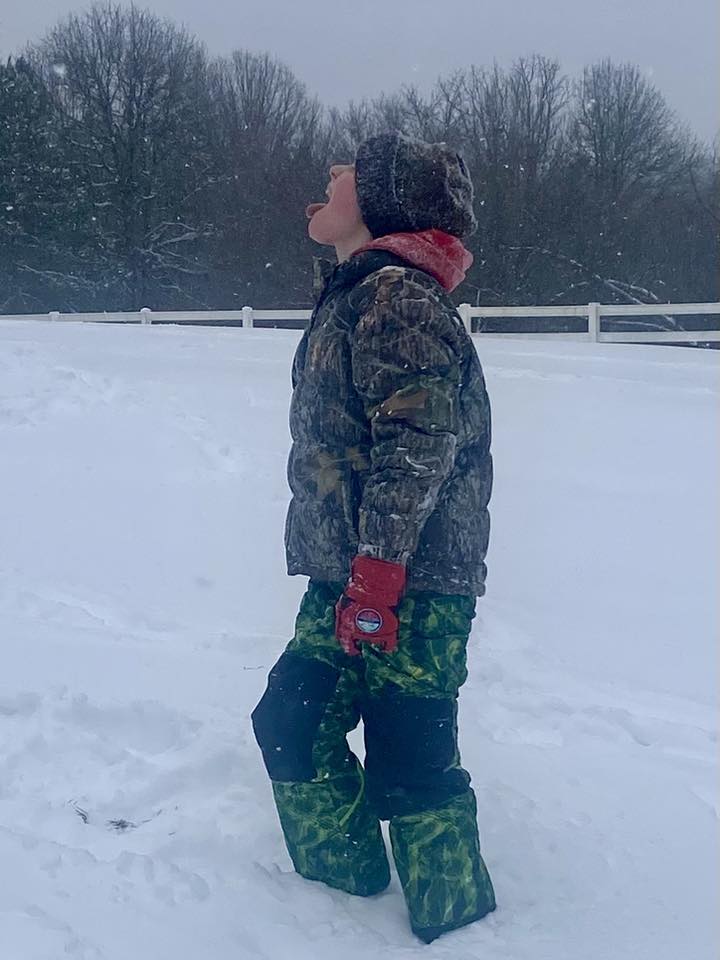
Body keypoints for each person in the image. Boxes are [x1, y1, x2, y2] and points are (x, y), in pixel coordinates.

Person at [252, 132, 495, 943]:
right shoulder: (360, 292)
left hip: (411, 586)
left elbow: (421, 444)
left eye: (348, 170)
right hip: (345, 575)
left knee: (412, 760)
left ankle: (458, 928)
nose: (327, 175)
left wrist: (379, 576)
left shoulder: (396, 297)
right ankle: (340, 903)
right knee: (291, 721)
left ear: (386, 200)